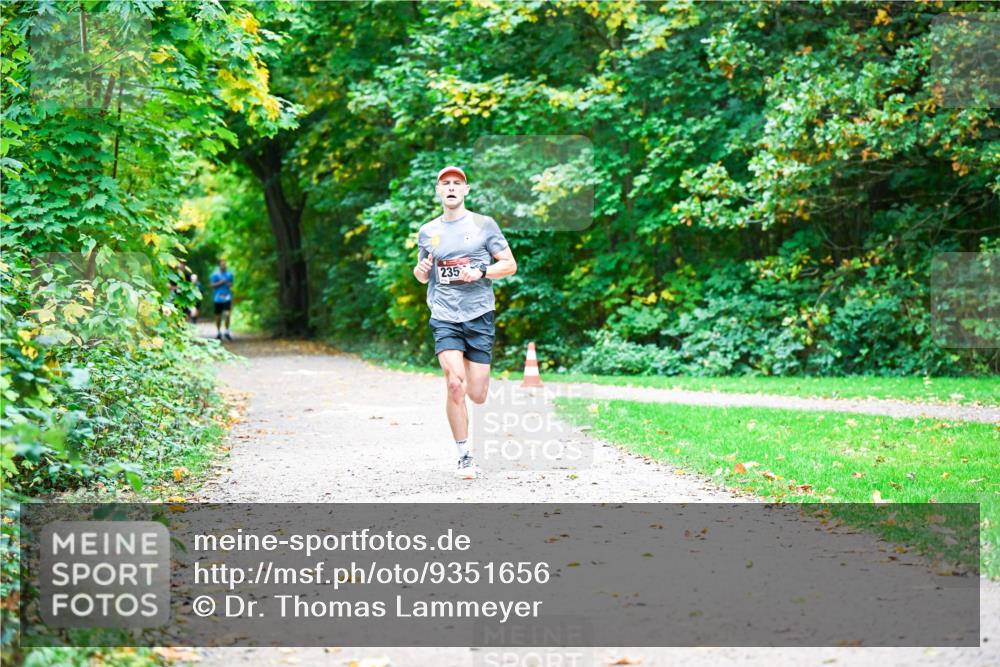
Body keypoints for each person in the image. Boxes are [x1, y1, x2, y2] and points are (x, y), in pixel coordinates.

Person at [414, 166, 517, 479]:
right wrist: (420, 272)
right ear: (438, 190)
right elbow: (422, 274)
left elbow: (509, 265)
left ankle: (474, 387)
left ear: (466, 190)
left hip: (479, 314)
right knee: (454, 383)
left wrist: (481, 271)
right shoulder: (428, 231)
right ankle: (464, 456)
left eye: (457, 183)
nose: (451, 187)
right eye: (445, 183)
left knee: (477, 394)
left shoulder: (484, 225)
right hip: (444, 315)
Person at [210, 258, 234, 340]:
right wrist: (221, 282)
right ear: (219, 266)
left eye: (224, 264)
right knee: (218, 316)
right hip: (218, 297)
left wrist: (229, 285)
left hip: (227, 296)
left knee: (227, 314)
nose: (223, 266)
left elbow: (231, 285)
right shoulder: (215, 275)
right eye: (222, 264)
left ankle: (227, 331)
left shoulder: (230, 274)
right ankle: (218, 332)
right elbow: (212, 285)